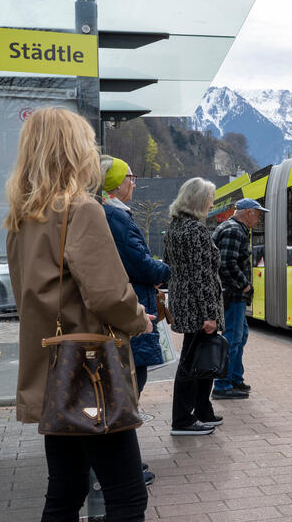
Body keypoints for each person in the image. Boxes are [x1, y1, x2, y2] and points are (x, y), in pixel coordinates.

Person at [4, 107, 153, 521]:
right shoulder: (81, 210)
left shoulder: (21, 219)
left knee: (65, 492)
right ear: (73, 151)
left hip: (53, 372)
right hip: (91, 375)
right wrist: (139, 318)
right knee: (127, 497)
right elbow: (107, 296)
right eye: (87, 143)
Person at [100, 155, 171, 485]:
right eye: (130, 176)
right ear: (114, 182)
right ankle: (119, 469)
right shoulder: (117, 217)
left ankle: (117, 465)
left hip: (127, 308)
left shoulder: (110, 214)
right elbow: (139, 263)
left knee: (123, 392)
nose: (135, 182)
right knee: (127, 392)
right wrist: (163, 271)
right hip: (131, 313)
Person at [164, 177, 223, 436]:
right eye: (209, 198)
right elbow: (202, 276)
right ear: (199, 201)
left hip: (183, 301)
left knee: (197, 359)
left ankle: (201, 409)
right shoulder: (196, 231)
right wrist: (210, 314)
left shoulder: (174, 228)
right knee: (192, 362)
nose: (212, 203)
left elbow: (169, 266)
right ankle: (183, 419)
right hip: (198, 307)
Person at [211, 197, 268, 400]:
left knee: (239, 336)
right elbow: (226, 263)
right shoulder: (234, 230)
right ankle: (223, 385)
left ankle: (235, 378)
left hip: (233, 295)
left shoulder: (232, 228)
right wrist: (245, 283)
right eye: (258, 213)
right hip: (233, 294)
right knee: (232, 339)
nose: (259, 218)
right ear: (249, 212)